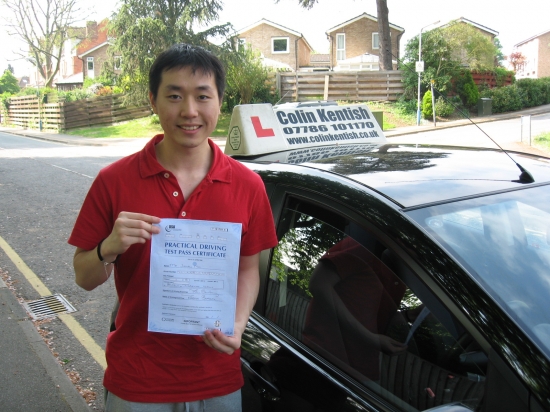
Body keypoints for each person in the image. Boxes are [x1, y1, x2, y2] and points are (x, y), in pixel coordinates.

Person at [68, 43, 278, 411]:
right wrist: (110, 247)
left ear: (219, 102)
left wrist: (237, 325)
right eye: (175, 96)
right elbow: (84, 277)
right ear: (153, 100)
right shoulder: (113, 180)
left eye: (202, 96)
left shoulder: (248, 185)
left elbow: (248, 269)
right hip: (138, 378)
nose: (189, 111)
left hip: (216, 377)